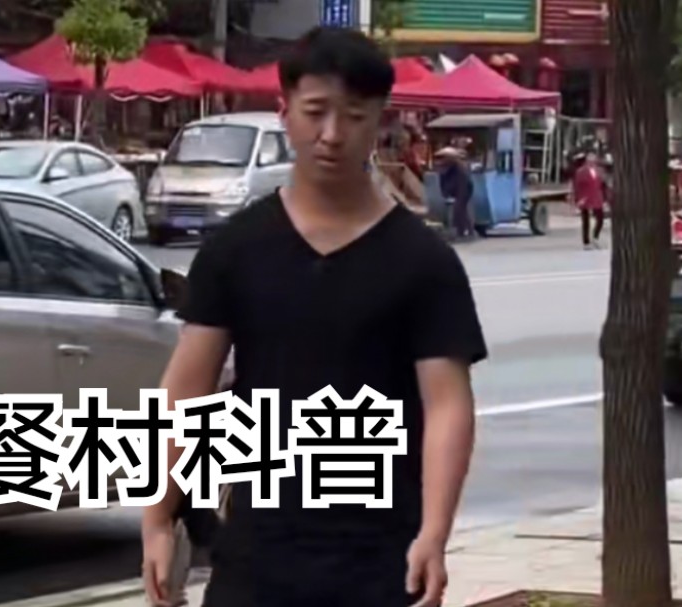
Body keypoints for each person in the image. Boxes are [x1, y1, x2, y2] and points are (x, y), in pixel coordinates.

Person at [141, 26, 487, 607]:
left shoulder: (423, 261)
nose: (332, 134)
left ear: (379, 122)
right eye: (316, 112)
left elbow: (448, 405)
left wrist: (435, 533)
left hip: (381, 561)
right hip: (255, 557)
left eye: (353, 116)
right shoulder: (237, 248)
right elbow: (187, 389)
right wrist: (158, 516)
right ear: (285, 113)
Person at [436, 146, 475, 241]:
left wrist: (459, 199)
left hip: (464, 189)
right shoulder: (444, 170)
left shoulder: (459, 170)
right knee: (461, 210)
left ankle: (463, 231)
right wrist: (445, 193)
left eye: (442, 158)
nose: (439, 162)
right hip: (455, 190)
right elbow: (443, 183)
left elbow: (463, 185)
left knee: (459, 209)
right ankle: (464, 231)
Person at [572, 151, 607, 249]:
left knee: (600, 218)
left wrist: (605, 199)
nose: (592, 161)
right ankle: (586, 242)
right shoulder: (581, 172)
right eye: (590, 159)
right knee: (585, 220)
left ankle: (595, 237)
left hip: (597, 197)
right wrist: (578, 199)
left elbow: (603, 185)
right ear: (587, 160)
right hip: (585, 197)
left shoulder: (599, 170)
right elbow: (577, 186)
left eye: (593, 158)